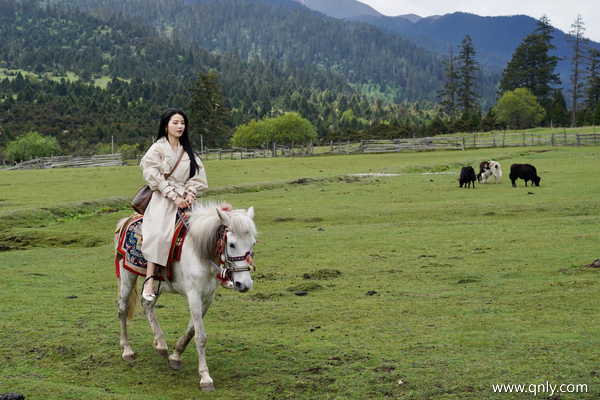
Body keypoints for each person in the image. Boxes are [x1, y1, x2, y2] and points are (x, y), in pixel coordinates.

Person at [139, 108, 207, 302]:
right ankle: (150, 278)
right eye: (175, 122)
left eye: (183, 123)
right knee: (159, 234)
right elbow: (152, 174)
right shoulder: (157, 148)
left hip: (186, 199)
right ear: (165, 125)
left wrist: (191, 193)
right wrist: (173, 195)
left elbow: (197, 177)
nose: (180, 126)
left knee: (205, 231)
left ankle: (217, 272)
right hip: (163, 198)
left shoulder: (189, 152)